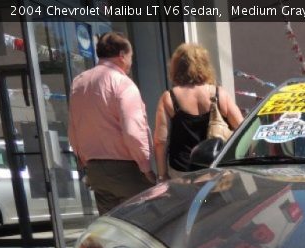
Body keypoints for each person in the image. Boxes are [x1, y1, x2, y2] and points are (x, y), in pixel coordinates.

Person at [68, 31, 155, 215]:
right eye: (131, 56)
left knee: (112, 225)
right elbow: (133, 131)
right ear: (122, 55)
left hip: (95, 169)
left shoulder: (79, 83)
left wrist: (83, 159)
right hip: (127, 169)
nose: (131, 62)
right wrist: (146, 167)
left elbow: (73, 127)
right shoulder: (123, 83)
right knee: (142, 222)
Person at [153, 43, 243, 180]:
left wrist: (162, 174)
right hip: (215, 169)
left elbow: (160, 141)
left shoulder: (169, 98)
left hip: (182, 170)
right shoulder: (219, 94)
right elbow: (241, 128)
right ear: (205, 65)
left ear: (176, 67)